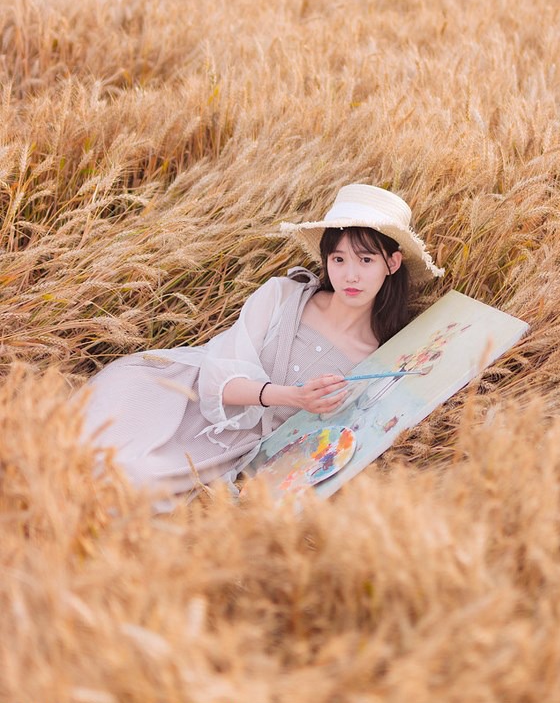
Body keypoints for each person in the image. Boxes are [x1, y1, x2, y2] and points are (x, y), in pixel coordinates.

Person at [79, 183, 443, 501]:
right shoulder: (283, 295)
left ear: (392, 263)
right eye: (338, 258)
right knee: (79, 449)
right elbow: (217, 379)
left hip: (225, 448)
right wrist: (293, 397)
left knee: (125, 482)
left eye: (366, 259)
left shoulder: (376, 361)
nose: (350, 274)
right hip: (175, 393)